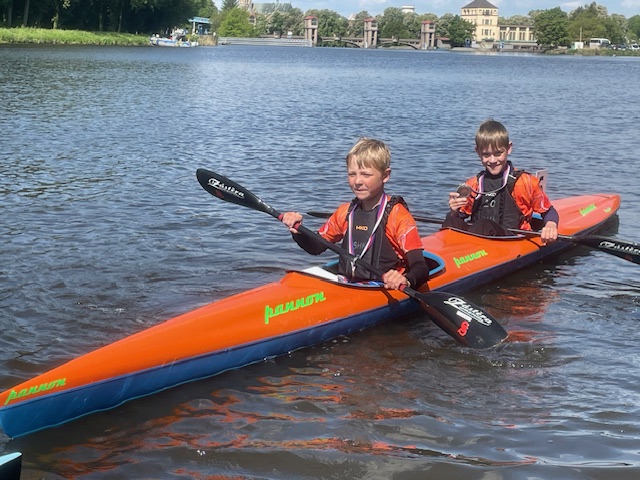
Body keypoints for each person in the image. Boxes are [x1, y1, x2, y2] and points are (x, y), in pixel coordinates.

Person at [281, 137, 430, 291]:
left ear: (385, 176)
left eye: (366, 175)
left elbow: (420, 266)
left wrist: (406, 280)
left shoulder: (398, 216)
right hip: (347, 285)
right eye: (352, 174)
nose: (357, 181)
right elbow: (316, 247)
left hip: (383, 288)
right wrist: (298, 231)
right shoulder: (345, 212)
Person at [443, 120, 559, 244]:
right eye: (486, 155)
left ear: (509, 148)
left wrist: (551, 225)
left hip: (512, 239)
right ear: (478, 152)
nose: (493, 160)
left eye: (498, 153)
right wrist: (454, 211)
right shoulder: (473, 184)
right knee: (450, 221)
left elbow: (548, 211)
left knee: (484, 225)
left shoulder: (526, 182)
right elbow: (459, 217)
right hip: (479, 239)